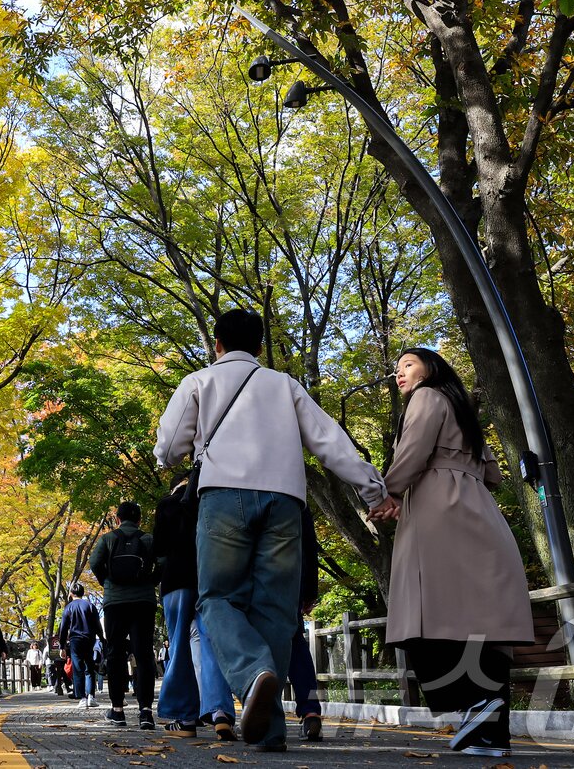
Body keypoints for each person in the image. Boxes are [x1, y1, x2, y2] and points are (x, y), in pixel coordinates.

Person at [156, 309, 396, 752]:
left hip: (223, 498)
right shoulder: (285, 385)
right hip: (286, 501)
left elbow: (169, 447)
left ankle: (252, 675)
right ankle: (269, 731)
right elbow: (329, 440)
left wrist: (173, 455)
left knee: (217, 598)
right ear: (261, 348)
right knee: (276, 609)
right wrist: (373, 491)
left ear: (217, 344)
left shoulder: (198, 382)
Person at [374, 347, 533, 758]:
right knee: (483, 619)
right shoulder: (462, 409)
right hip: (478, 507)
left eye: (407, 364)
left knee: (428, 613)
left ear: (431, 368)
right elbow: (493, 473)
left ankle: (473, 704)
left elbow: (412, 452)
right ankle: (491, 735)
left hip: (436, 508)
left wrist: (389, 492)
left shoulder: (426, 398)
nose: (400, 374)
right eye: (396, 369)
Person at [153, 474, 235, 740]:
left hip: (176, 581)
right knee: (211, 643)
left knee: (178, 646)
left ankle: (185, 718)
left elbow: (158, 547)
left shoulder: (167, 504)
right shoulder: (210, 502)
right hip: (209, 578)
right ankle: (221, 712)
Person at [90, 501, 159, 730]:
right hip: (144, 601)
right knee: (144, 654)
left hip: (115, 603)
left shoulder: (109, 539)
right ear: (139, 520)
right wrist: (151, 582)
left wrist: (107, 582)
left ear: (117, 519)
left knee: (115, 654)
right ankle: (146, 712)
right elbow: (162, 563)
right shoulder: (148, 539)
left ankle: (117, 710)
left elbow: (94, 562)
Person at [287, 507, 323, 742]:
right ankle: (310, 710)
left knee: (257, 641)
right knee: (296, 644)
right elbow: (309, 543)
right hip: (292, 576)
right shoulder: (293, 489)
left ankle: (265, 712)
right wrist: (310, 589)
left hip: (254, 577)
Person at [56, 583, 104, 709]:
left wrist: (62, 646)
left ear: (71, 593)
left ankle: (82, 697)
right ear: (83, 593)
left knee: (78, 668)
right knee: (89, 667)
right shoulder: (90, 606)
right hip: (89, 638)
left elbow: (63, 628)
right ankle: (91, 697)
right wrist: (102, 638)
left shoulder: (68, 608)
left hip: (75, 640)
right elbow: (97, 625)